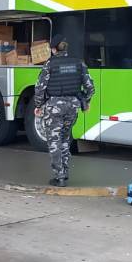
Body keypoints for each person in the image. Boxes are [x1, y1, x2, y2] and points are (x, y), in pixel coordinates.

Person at [33, 35, 95, 187]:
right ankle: (65, 173)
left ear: (53, 49)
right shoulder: (78, 63)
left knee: (54, 141)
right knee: (65, 140)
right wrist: (85, 101)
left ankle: (59, 176)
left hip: (54, 107)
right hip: (72, 108)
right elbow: (90, 87)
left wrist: (38, 105)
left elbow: (40, 88)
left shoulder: (50, 65)